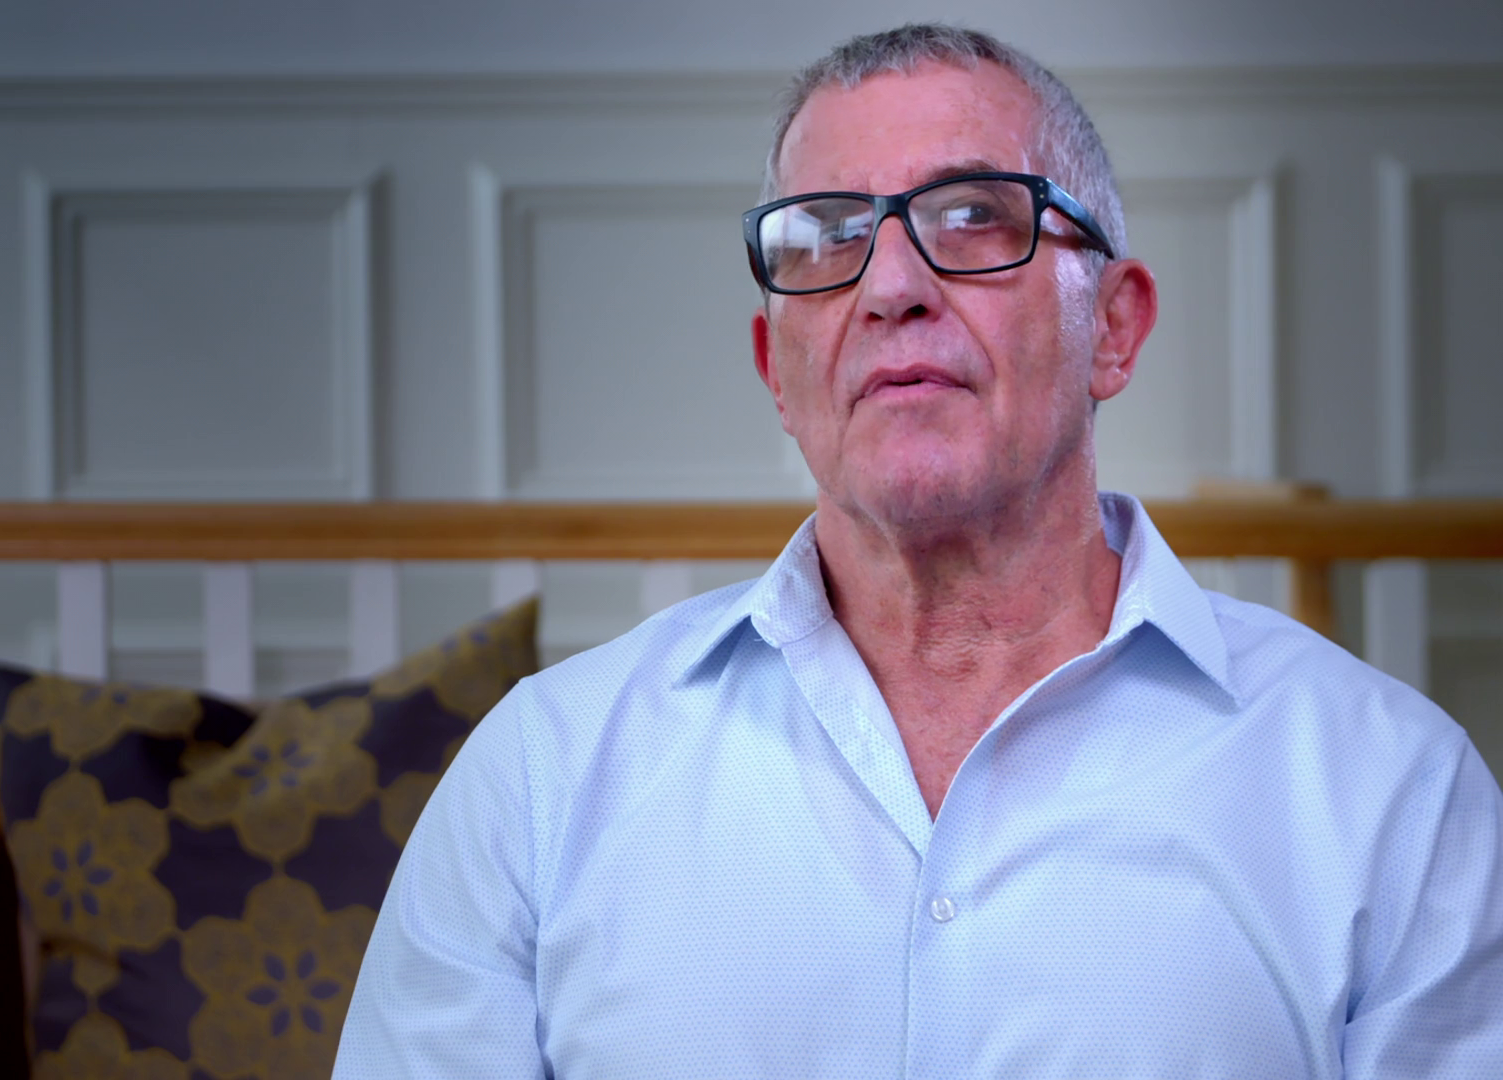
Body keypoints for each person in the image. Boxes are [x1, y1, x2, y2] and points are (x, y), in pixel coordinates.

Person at [334, 24, 1503, 1078]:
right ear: (776, 369)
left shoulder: (1391, 797)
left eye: (974, 216)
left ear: (1115, 325)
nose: (890, 286)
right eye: (827, 235)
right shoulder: (540, 782)